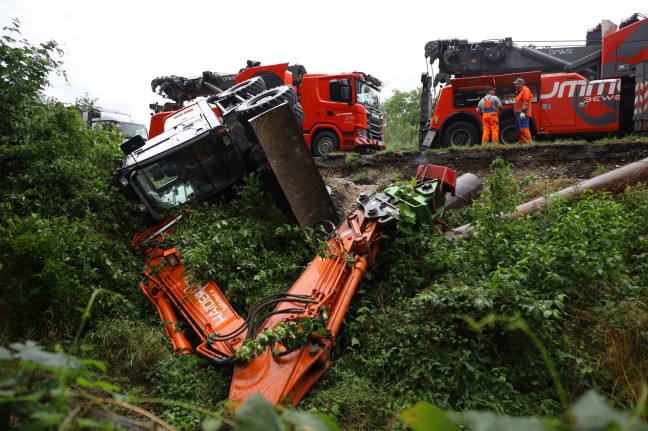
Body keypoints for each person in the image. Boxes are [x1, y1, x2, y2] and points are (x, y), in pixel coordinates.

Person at [513, 77, 534, 144]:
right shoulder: (521, 91)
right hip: (519, 114)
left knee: (523, 128)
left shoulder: (525, 90)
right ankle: (524, 143)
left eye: (516, 83)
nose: (515, 85)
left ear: (521, 83)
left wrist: (523, 112)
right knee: (520, 129)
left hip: (522, 114)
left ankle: (529, 144)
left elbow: (526, 101)